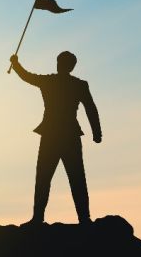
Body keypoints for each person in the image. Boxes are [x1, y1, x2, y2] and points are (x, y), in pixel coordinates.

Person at [9, 52, 101, 225]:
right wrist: (96, 133)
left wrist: (15, 64)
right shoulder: (78, 85)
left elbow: (27, 76)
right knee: (72, 178)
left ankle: (41, 218)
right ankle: (82, 218)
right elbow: (91, 108)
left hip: (53, 135)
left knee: (48, 177)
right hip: (67, 135)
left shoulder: (51, 82)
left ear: (60, 64)